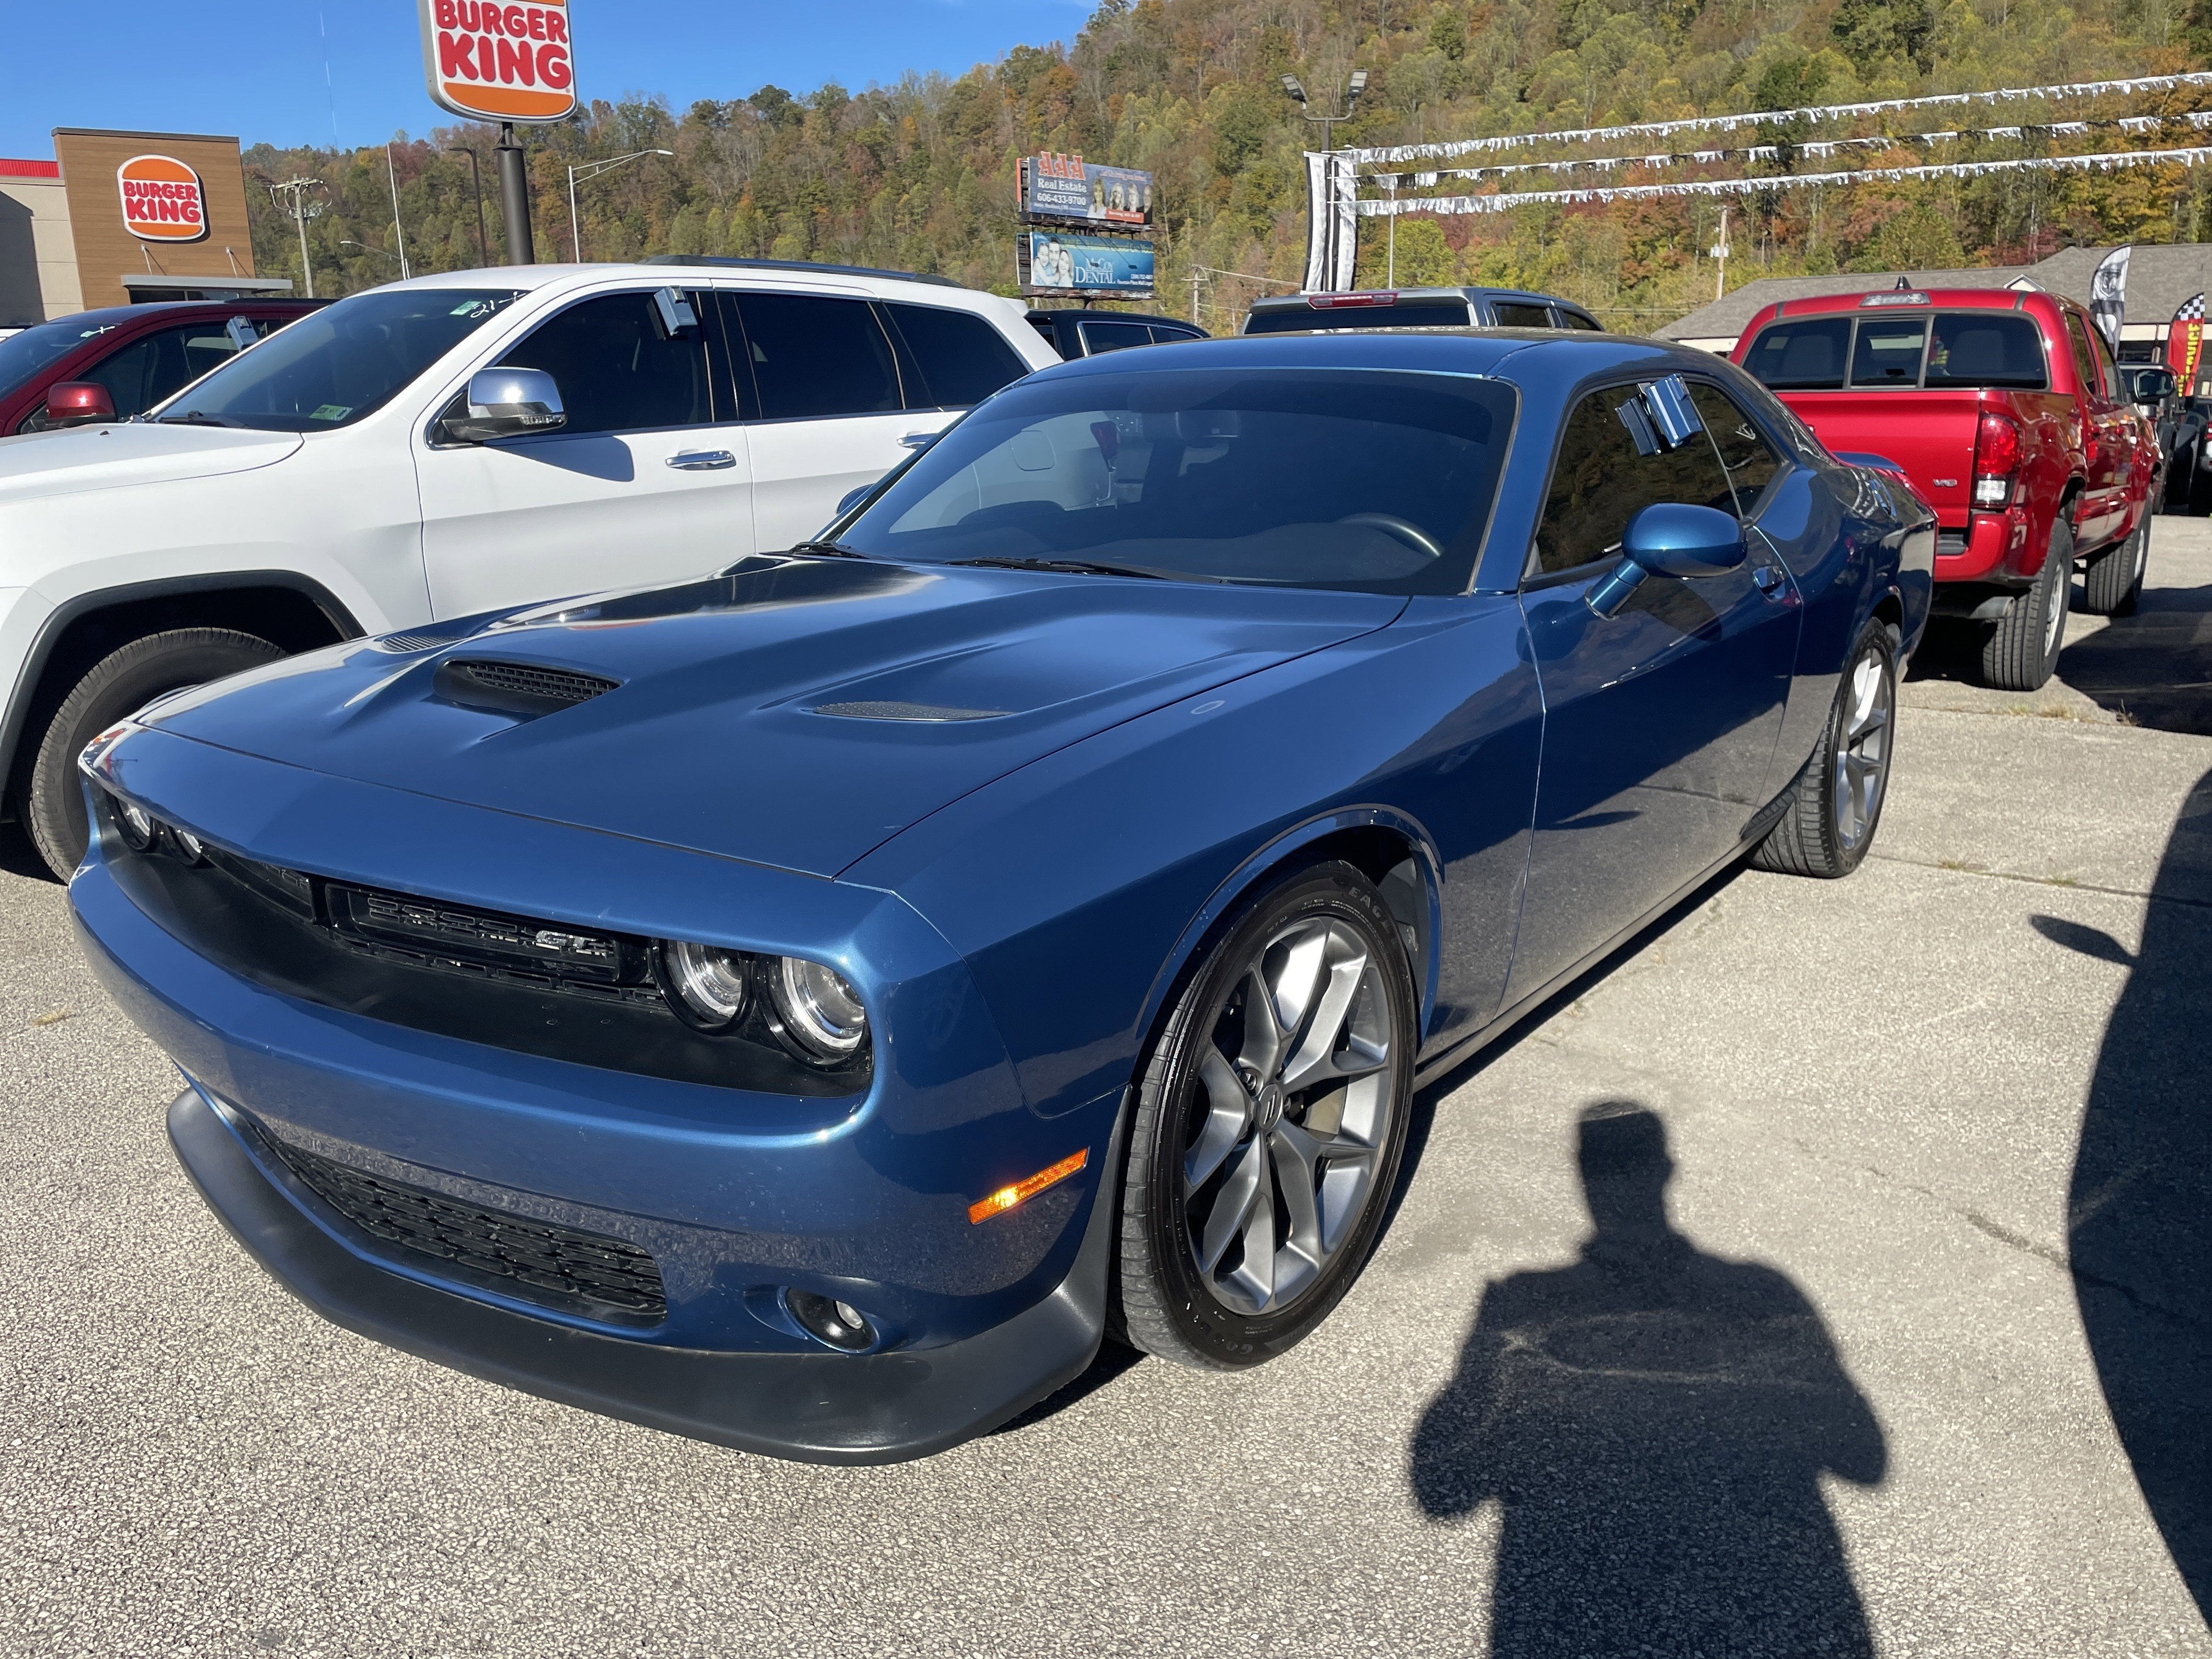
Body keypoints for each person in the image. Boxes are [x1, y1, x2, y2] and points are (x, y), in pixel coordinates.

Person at [1410, 1102, 1886, 1656]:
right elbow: (1863, 1456)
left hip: (1576, 1625)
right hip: (1751, 1624)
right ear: (1666, 1169)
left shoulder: (1525, 1306)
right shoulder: (1759, 1297)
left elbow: (1443, 1486)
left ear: (1582, 1180)